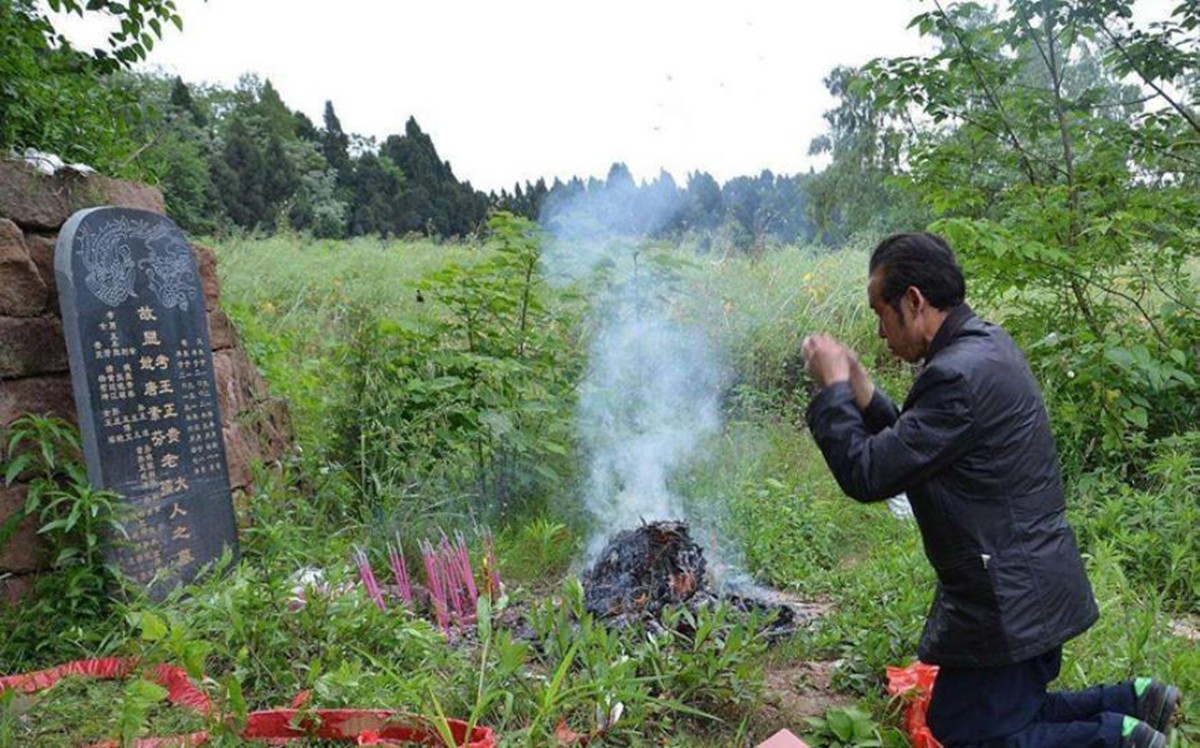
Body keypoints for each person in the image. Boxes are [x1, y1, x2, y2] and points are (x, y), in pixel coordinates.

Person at [800, 232, 1181, 748]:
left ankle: (1119, 739)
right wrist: (864, 394)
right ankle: (1137, 702)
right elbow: (919, 446)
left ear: (913, 301)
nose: (879, 331)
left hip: (1007, 598)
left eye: (880, 312)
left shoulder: (956, 375)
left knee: (972, 736)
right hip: (1023, 583)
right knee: (1004, 715)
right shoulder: (982, 347)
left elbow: (868, 473)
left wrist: (835, 393)